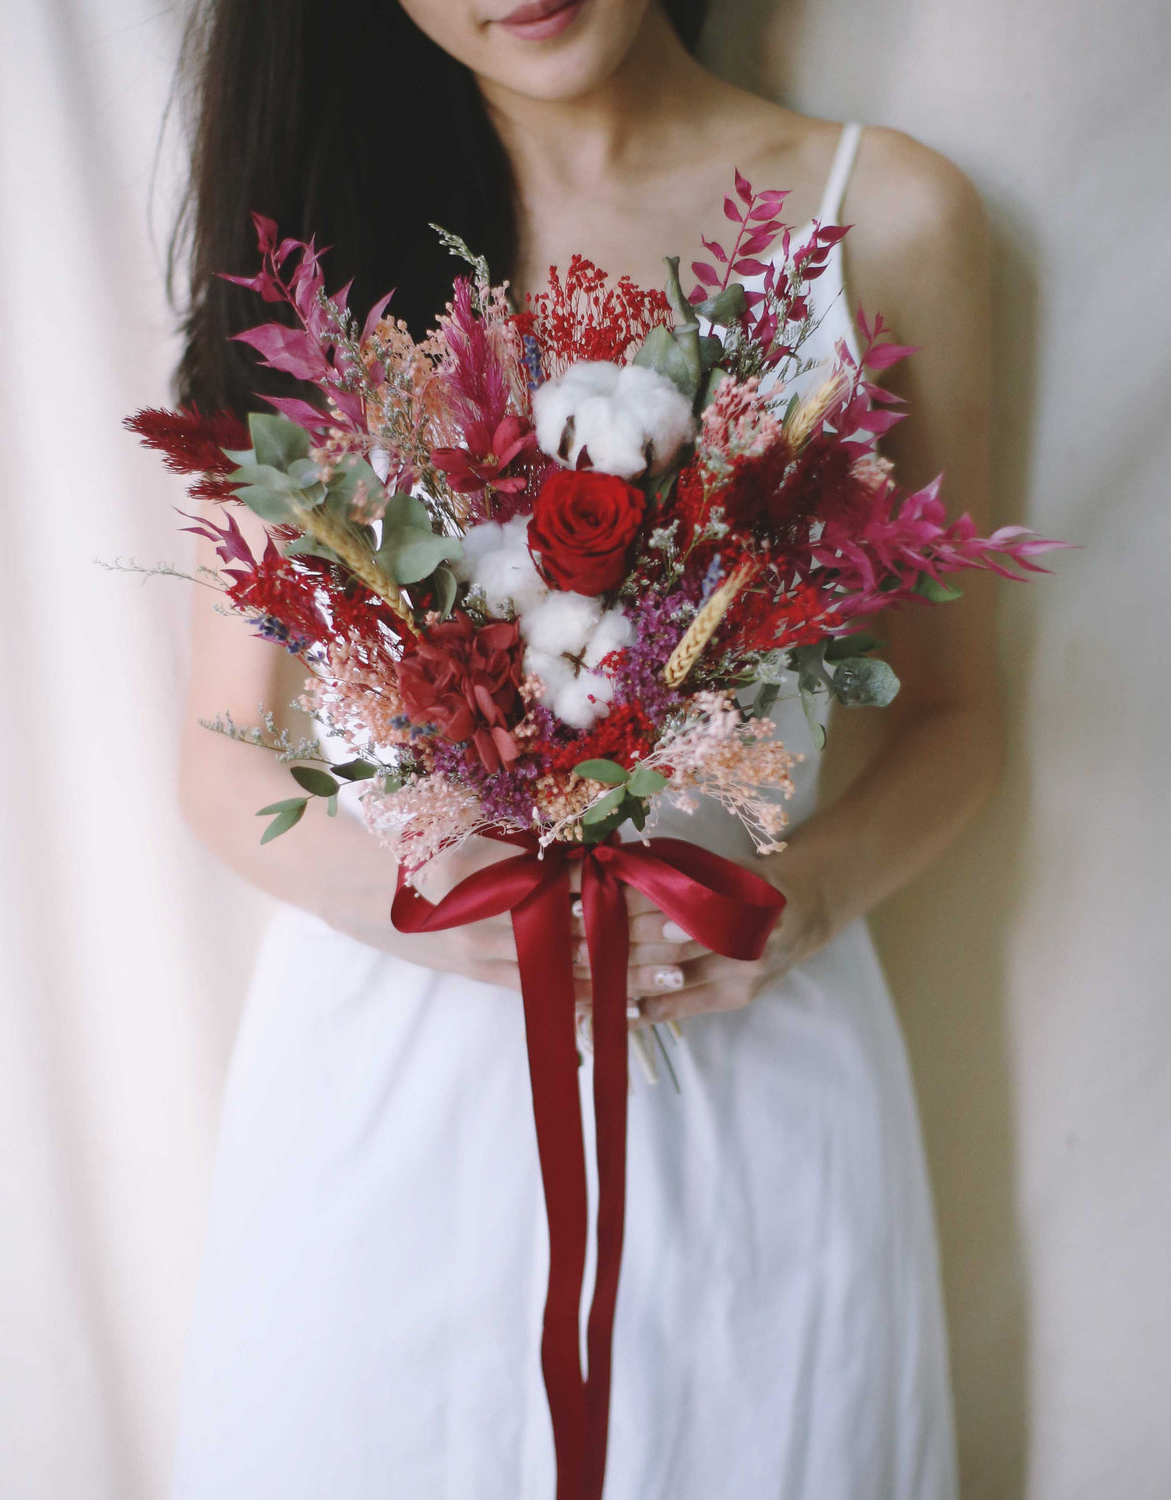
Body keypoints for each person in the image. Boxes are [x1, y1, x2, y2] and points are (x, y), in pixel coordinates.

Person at [171, 2, 999, 1496]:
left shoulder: (886, 215)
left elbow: (961, 716)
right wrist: (436, 904)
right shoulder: (320, 242)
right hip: (387, 1113)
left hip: (752, 1065)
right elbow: (220, 760)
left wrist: (798, 898)